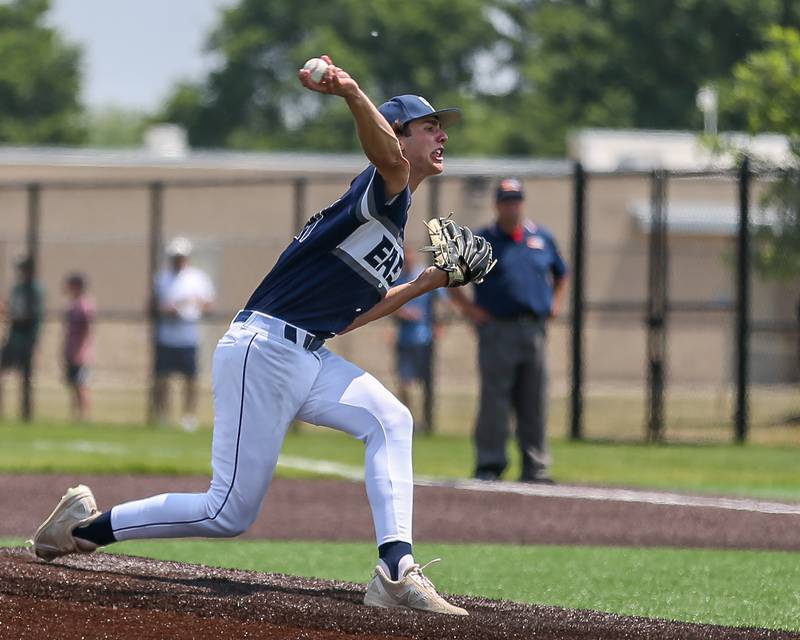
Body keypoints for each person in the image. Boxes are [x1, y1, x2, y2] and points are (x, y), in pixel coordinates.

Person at [32, 56, 473, 615]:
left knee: (391, 419)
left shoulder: (385, 212)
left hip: (308, 352)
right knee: (228, 513)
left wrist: (427, 282)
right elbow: (385, 155)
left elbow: (349, 317)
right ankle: (86, 528)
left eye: (441, 125)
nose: (443, 133)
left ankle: (394, 570)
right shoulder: (385, 184)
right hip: (261, 351)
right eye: (429, 125)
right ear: (397, 134)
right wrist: (351, 90)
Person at [449, 178, 568, 484]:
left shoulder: (540, 237)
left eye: (516, 200)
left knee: (534, 400)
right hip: (497, 329)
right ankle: (490, 463)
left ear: (523, 202)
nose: (511, 205)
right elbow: (452, 279)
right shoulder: (483, 240)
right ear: (496, 204)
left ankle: (536, 467)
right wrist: (471, 311)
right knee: (495, 401)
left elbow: (561, 273)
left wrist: (555, 303)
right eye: (506, 200)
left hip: (534, 329)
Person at [152, 236, 215, 431]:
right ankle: (162, 416)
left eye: (181, 256)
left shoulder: (198, 278)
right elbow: (152, 305)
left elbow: (209, 304)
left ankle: (189, 417)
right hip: (166, 336)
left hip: (188, 337)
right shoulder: (161, 278)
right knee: (162, 378)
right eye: (175, 256)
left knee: (191, 379)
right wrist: (167, 309)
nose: (178, 260)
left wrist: (195, 304)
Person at [392, 251, 440, 434]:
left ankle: (425, 422)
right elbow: (387, 303)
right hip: (405, 339)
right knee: (404, 381)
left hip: (425, 339)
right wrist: (403, 313)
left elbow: (441, 302)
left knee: (426, 381)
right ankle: (407, 418)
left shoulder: (425, 277)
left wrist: (439, 326)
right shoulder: (399, 280)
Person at [0, 256, 44, 421]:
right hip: (13, 337)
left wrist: (9, 312)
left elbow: (27, 315)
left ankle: (26, 413)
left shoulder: (35, 290)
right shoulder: (17, 288)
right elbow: (11, 308)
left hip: (27, 339)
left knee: (25, 376)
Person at [63, 272, 95, 422]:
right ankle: (75, 416)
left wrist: (80, 350)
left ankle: (85, 417)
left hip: (81, 353)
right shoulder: (72, 305)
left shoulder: (85, 305)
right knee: (73, 385)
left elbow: (88, 329)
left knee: (82, 384)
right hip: (71, 350)